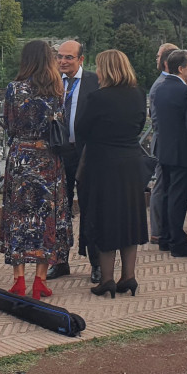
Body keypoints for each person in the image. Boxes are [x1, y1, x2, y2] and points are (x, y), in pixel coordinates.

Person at [0, 40, 70, 301]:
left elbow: (8, 124)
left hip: (21, 158)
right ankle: (40, 281)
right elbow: (60, 123)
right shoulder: (56, 90)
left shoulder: (14, 89)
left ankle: (18, 280)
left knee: (19, 217)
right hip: (48, 159)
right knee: (46, 218)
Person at [76, 50, 149, 297]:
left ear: (105, 70)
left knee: (105, 219)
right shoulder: (139, 94)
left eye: (98, 67)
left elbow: (81, 128)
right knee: (130, 219)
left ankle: (106, 279)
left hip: (102, 164)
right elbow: (140, 126)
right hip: (131, 162)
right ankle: (129, 276)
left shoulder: (98, 98)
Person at [45, 39, 101, 282]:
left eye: (68, 57)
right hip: (58, 153)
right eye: (60, 57)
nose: (63, 61)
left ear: (81, 59)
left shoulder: (95, 82)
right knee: (59, 209)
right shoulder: (49, 83)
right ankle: (60, 261)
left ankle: (97, 263)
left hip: (87, 153)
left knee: (91, 208)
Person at [151, 49, 187, 258]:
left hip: (165, 148)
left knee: (168, 194)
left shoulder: (160, 89)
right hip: (182, 151)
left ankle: (166, 237)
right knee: (178, 198)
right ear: (181, 68)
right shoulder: (185, 92)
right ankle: (177, 242)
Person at [147, 43, 179, 251]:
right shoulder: (161, 85)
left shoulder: (163, 83)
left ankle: (165, 229)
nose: (156, 59)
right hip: (164, 141)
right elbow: (156, 120)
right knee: (160, 186)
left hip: (163, 140)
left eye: (159, 55)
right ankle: (158, 231)